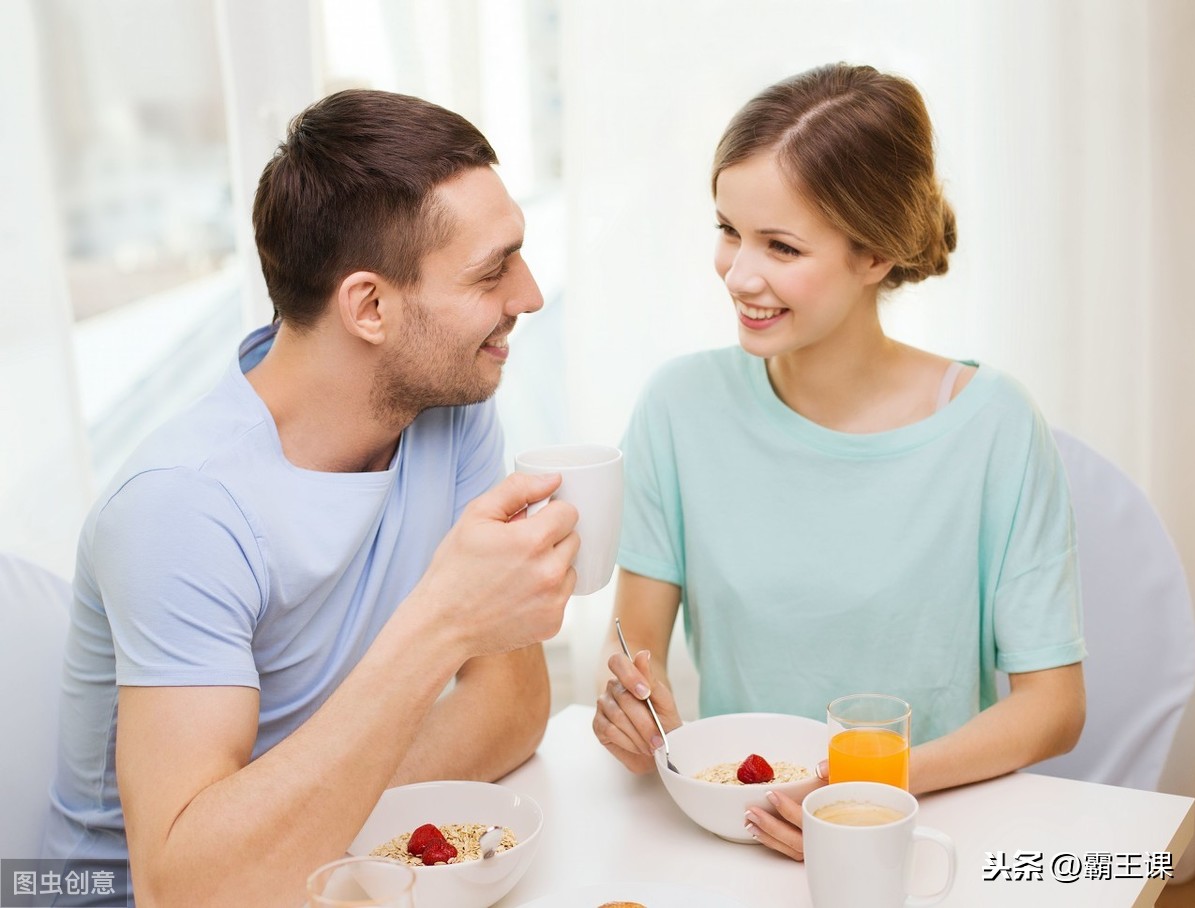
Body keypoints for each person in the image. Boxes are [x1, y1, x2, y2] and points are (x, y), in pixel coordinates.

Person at [44, 89, 580, 906]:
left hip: (321, 878)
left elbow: (511, 707)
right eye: (491, 271)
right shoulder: (181, 511)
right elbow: (188, 889)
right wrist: (444, 623)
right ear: (369, 306)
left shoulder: (450, 410)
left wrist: (298, 815)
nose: (530, 294)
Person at [592, 63, 1086, 862]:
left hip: (923, 833)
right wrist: (640, 714)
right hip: (733, 836)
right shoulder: (679, 407)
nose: (739, 274)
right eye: (728, 229)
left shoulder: (993, 426)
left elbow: (1054, 708)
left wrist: (868, 793)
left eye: (781, 246)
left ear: (876, 256)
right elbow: (636, 648)